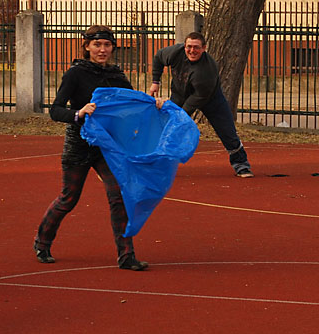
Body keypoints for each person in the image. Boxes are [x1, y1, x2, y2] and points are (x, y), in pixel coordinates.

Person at [34, 25, 150, 270]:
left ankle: (126, 256)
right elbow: (55, 110)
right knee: (69, 198)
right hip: (79, 145)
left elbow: (133, 106)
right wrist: (79, 112)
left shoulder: (118, 76)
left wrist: (153, 103)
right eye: (97, 45)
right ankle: (42, 242)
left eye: (107, 45)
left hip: (106, 148)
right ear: (86, 47)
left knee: (118, 195)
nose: (102, 50)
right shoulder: (76, 73)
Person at [148, 32, 253, 178]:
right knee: (166, 126)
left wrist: (181, 115)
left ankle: (241, 164)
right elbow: (159, 57)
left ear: (204, 48)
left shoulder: (207, 70)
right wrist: (155, 82)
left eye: (196, 47)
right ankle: (158, 162)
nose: (192, 51)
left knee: (227, 131)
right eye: (189, 47)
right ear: (184, 46)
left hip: (211, 99)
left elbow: (198, 98)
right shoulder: (174, 53)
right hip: (179, 94)